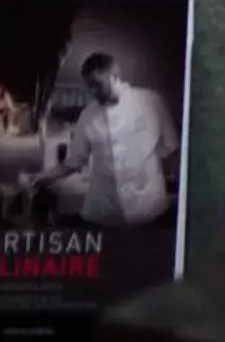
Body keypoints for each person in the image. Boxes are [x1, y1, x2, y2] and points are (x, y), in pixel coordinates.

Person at [22, 53, 179, 227]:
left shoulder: (151, 102)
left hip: (148, 208)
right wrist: (38, 178)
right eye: (89, 86)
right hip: (103, 212)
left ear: (114, 77)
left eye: (97, 85)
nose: (92, 92)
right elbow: (73, 163)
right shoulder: (87, 116)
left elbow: (172, 150)